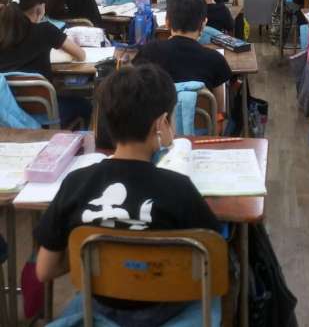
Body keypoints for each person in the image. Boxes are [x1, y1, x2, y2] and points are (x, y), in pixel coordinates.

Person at [35, 63, 219, 326]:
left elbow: (44, 270)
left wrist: (95, 260)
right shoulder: (179, 188)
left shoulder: (76, 184)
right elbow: (213, 260)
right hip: (167, 309)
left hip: (98, 309)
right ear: (161, 123)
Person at [0, 0, 91, 127]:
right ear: (39, 8)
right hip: (44, 118)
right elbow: (81, 55)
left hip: (6, 116)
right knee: (86, 104)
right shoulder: (46, 30)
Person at [134, 0, 232, 110]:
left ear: (167, 22)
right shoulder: (216, 60)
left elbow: (136, 92)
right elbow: (219, 109)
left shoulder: (149, 52)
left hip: (159, 121)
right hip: (200, 122)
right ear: (203, 25)